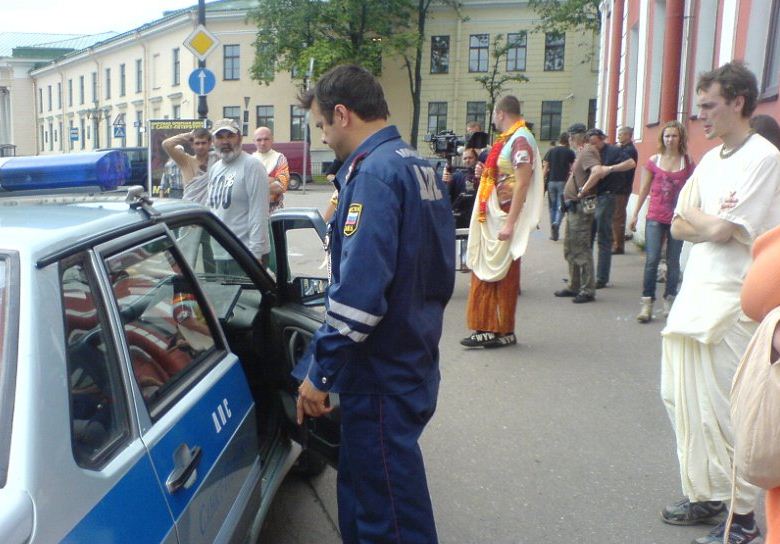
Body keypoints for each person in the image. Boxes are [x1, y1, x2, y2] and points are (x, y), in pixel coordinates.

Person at [293, 64, 455, 544]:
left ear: (342, 114)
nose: (323, 137)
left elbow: (359, 298)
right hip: (414, 356)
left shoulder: (374, 175)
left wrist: (319, 374)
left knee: (387, 515)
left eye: (322, 124)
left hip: (380, 373)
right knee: (377, 494)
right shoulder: (417, 164)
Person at [659, 61, 780, 544]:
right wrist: (705, 223)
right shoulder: (710, 161)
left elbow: (724, 230)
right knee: (682, 401)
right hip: (693, 301)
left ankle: (742, 518)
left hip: (731, 307)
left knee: (729, 413)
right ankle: (706, 492)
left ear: (738, 101)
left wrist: (706, 223)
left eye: (709, 106)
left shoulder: (764, 160)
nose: (700, 116)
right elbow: (680, 222)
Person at [460, 95, 544, 348]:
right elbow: (503, 175)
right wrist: (484, 172)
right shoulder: (510, 139)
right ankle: (492, 328)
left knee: (499, 274)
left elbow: (522, 183)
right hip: (496, 214)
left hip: (504, 216)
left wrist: (510, 223)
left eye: (494, 116)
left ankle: (497, 329)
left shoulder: (520, 139)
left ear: (499, 113)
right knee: (489, 271)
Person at [629, 121, 695, 323]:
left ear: (680, 138)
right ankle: (647, 303)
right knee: (652, 260)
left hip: (677, 218)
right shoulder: (654, 161)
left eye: (674, 136)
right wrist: (635, 214)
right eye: (667, 136)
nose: (670, 139)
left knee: (673, 261)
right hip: (655, 217)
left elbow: (693, 191)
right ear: (662, 138)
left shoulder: (687, 161)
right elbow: (644, 188)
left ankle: (670, 300)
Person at [207, 118, 270, 270]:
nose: (225, 141)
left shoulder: (252, 166)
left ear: (240, 138)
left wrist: (255, 255)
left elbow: (259, 213)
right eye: (220, 137)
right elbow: (212, 209)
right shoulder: (215, 169)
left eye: (230, 136)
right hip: (220, 254)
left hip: (245, 254)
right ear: (213, 141)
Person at [554, 123, 601, 303]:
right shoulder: (582, 151)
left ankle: (587, 289)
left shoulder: (587, 151)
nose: (571, 140)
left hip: (581, 206)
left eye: (572, 137)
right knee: (571, 247)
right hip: (574, 206)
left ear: (578, 136)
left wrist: (582, 190)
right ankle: (574, 284)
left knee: (581, 248)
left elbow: (596, 172)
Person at [584, 128, 637, 288]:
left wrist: (611, 168)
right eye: (590, 143)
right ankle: (586, 276)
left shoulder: (614, 151)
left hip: (607, 196)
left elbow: (631, 163)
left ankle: (601, 277)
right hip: (590, 198)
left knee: (603, 236)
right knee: (587, 236)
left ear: (602, 139)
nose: (593, 146)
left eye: (595, 142)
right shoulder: (589, 152)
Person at [162, 128, 217, 205]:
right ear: (192, 145)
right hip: (190, 208)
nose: (200, 147)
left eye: (203, 143)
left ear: (209, 143)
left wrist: (211, 133)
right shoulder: (185, 161)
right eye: (197, 143)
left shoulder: (216, 158)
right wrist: (190, 135)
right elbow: (166, 144)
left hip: (210, 210)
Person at [542, 131, 576, 241]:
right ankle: (556, 223)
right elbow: (573, 169)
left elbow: (545, 167)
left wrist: (542, 180)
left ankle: (553, 233)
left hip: (551, 182)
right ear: (568, 141)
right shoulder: (570, 153)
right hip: (563, 182)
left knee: (552, 206)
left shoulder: (551, 151)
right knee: (561, 205)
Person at [253, 126, 290, 213]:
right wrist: (272, 180)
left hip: (275, 211)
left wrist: (256, 185)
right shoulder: (249, 160)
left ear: (272, 139)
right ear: (254, 141)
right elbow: (244, 188)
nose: (262, 143)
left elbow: (282, 186)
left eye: (266, 139)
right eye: (259, 140)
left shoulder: (280, 158)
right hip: (254, 211)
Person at [613, 126, 638, 254]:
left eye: (621, 134)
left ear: (628, 135)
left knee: (618, 216)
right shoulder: (623, 149)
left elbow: (622, 167)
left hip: (622, 187)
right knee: (616, 215)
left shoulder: (629, 150)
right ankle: (616, 242)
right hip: (619, 186)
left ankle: (618, 245)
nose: (618, 137)